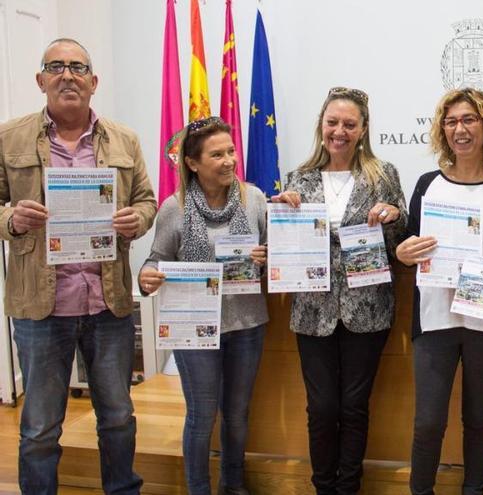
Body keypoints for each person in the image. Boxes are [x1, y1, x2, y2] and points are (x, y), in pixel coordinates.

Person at [0, 38, 156, 494]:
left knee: (117, 417)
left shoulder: (124, 139)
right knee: (40, 428)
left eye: (78, 67)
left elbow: (146, 200)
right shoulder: (9, 137)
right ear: (41, 79)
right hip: (41, 308)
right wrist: (11, 218)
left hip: (108, 303)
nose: (67, 75)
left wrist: (137, 219)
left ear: (93, 81)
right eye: (56, 66)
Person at [396, 88, 483, 495]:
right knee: (428, 421)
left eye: (469, 119)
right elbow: (408, 241)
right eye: (452, 121)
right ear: (442, 129)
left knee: (478, 417)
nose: (460, 128)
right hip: (435, 317)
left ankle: (474, 490)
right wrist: (403, 251)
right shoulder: (427, 184)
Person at [274, 87, 407, 495]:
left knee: (353, 407)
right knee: (322, 408)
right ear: (322, 126)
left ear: (363, 129)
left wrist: (394, 215)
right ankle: (322, 486)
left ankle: (349, 487)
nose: (340, 131)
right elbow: (280, 243)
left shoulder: (383, 174)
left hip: (367, 308)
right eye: (333, 122)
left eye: (350, 124)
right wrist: (280, 209)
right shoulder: (298, 178)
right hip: (313, 310)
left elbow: (401, 237)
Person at [138, 117, 268, 495]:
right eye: (217, 154)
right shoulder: (173, 209)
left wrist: (266, 255)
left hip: (247, 323)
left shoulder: (254, 199)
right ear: (193, 163)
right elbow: (155, 260)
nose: (229, 160)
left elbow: (276, 255)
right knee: (201, 415)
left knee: (237, 415)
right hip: (194, 329)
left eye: (231, 152)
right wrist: (147, 278)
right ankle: (199, 489)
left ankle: (233, 485)